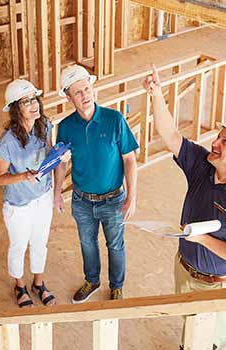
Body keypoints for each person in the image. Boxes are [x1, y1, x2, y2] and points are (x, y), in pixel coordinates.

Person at [143, 65, 226, 350]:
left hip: (217, 284)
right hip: (185, 271)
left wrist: (201, 239)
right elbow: (170, 134)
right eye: (219, 137)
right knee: (191, 329)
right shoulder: (202, 164)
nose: (215, 143)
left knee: (219, 342)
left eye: (225, 142)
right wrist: (156, 93)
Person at [54, 65, 139, 303]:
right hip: (82, 201)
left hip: (113, 200)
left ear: (93, 89)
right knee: (87, 244)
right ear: (69, 98)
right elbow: (60, 162)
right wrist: (57, 192)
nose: (84, 95)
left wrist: (132, 196)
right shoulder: (66, 127)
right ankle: (91, 280)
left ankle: (117, 286)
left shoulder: (115, 120)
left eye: (87, 88)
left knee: (115, 244)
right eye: (77, 92)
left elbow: (129, 159)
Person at [0, 79, 71, 308]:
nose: (34, 104)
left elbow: (48, 156)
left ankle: (38, 283)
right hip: (19, 204)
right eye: (27, 101)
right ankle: (19, 285)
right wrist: (23, 176)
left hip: (43, 197)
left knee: (40, 242)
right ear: (16, 109)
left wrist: (59, 156)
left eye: (35, 99)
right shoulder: (6, 143)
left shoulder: (44, 125)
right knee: (19, 245)